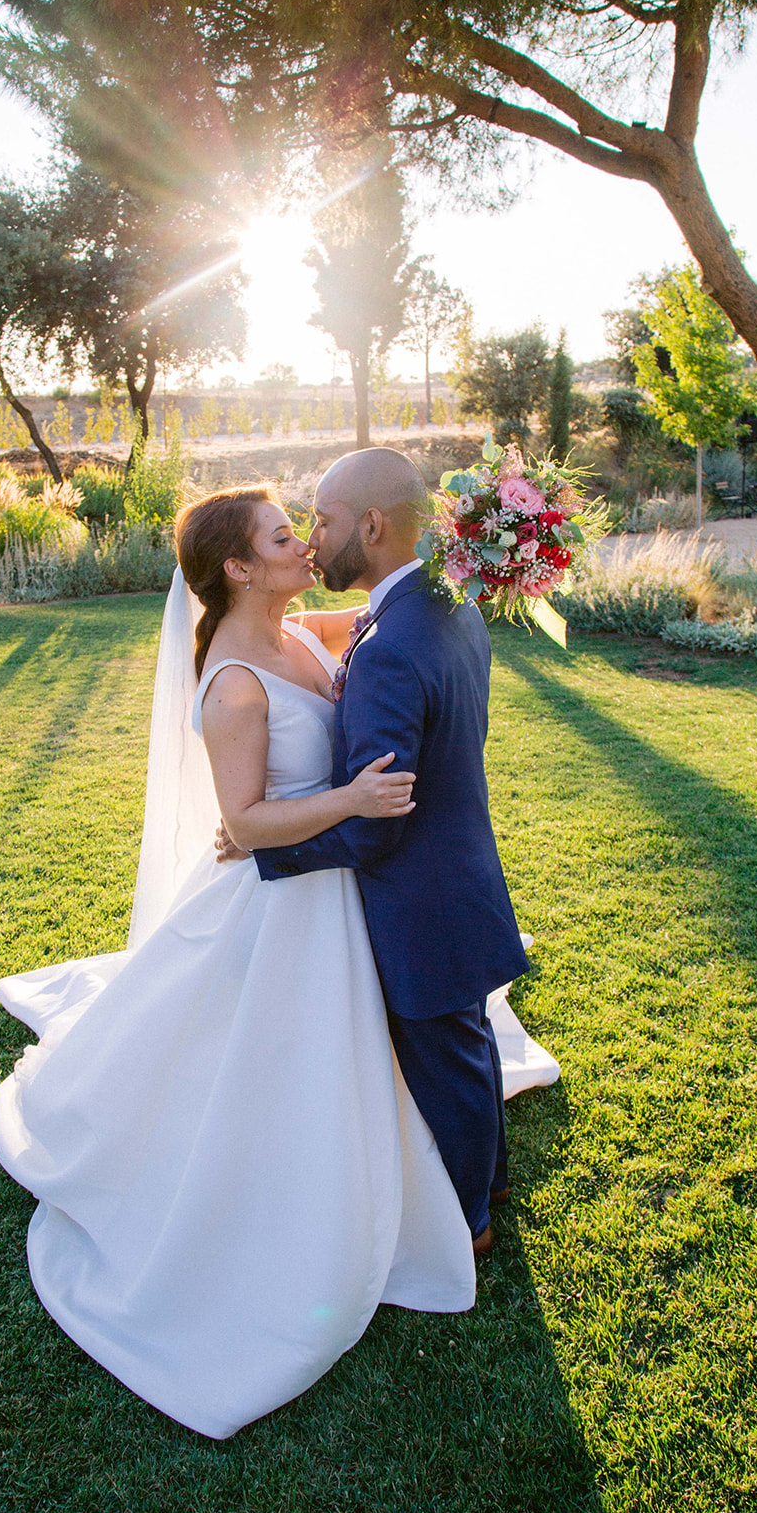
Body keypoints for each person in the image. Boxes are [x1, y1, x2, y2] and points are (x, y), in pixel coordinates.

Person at [0, 479, 557, 1441]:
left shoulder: (305, 627)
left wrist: (460, 557)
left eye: (310, 527)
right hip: (292, 892)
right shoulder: (235, 682)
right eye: (285, 535)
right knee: (275, 1062)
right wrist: (344, 804)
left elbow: (385, 606)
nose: (306, 541)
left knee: (358, 1045)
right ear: (239, 568)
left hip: (342, 892)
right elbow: (244, 823)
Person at [224, 448, 544, 1255]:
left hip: (420, 897)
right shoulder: (446, 603)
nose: (313, 538)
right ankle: (489, 1179)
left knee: (446, 1058)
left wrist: (262, 844)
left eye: (324, 522)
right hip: (459, 868)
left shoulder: (393, 645)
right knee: (461, 1047)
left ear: (371, 525)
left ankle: (467, 1222)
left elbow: (376, 824)